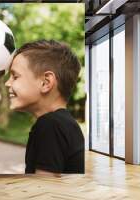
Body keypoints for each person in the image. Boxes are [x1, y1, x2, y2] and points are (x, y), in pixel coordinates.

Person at [5, 40, 84, 174]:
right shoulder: (65, 124)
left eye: (15, 76)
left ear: (46, 82)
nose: (7, 83)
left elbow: (43, 190)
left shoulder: (50, 125)